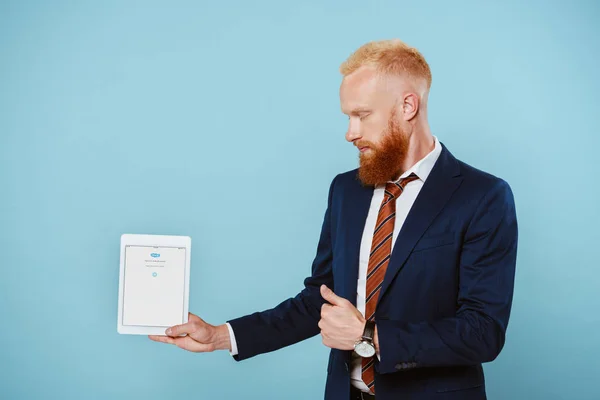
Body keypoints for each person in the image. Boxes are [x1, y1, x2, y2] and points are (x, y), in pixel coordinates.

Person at [149, 39, 518, 400]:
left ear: (408, 106)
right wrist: (220, 336)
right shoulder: (347, 190)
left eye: (362, 115)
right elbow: (319, 300)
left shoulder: (482, 197)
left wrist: (369, 336)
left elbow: (482, 332)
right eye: (348, 117)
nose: (350, 133)